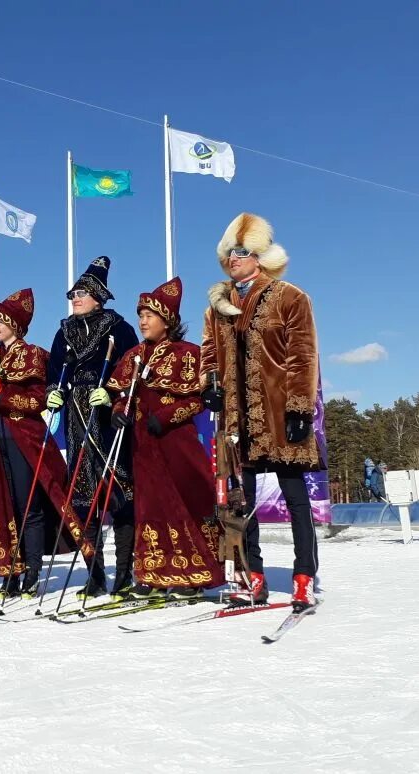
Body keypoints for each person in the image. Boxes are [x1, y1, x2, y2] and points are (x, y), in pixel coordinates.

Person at [201, 213, 323, 612]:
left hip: (279, 412)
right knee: (242, 503)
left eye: (241, 252)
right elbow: (208, 355)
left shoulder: (290, 296)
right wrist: (211, 388)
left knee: (295, 500)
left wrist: (300, 407)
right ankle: (253, 577)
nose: (233, 259)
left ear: (260, 256)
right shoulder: (217, 308)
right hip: (238, 421)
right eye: (229, 254)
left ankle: (304, 577)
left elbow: (303, 356)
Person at [96, 277, 224, 600]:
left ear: (167, 321)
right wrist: (119, 411)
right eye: (140, 315)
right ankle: (153, 574)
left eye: (149, 315)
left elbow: (197, 399)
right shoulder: (134, 356)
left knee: (184, 502)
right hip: (143, 446)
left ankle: (191, 575)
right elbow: (119, 393)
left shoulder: (188, 354)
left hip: (176, 443)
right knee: (150, 507)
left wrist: (166, 417)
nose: (142, 320)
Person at [0, 289, 74, 599]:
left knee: (28, 506)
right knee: (1, 506)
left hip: (25, 439)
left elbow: (38, 400)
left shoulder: (34, 355)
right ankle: (11, 571)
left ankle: (34, 571)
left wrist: (4, 394)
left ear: (15, 323)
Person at [45, 256, 139, 600]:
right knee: (84, 498)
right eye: (72, 293)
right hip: (76, 415)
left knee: (119, 495)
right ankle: (95, 575)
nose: (75, 298)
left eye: (81, 292)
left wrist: (115, 389)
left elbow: (133, 367)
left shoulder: (120, 328)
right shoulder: (64, 331)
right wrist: (52, 392)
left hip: (108, 416)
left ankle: (125, 574)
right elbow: (55, 372)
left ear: (98, 294)